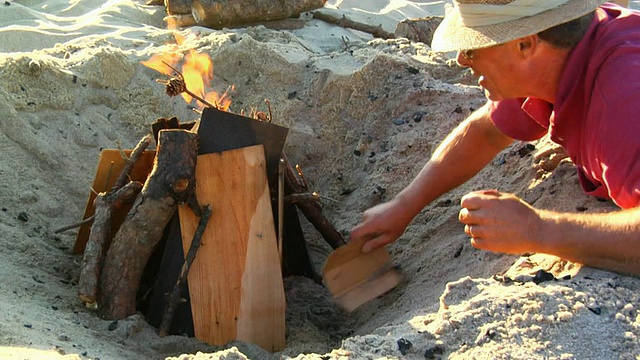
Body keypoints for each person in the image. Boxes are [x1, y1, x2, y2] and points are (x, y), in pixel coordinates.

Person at [350, 0, 640, 276]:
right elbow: (487, 132)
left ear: (525, 44)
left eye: (473, 47)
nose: (462, 59)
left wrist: (539, 230)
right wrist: (404, 205)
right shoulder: (556, 59)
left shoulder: (621, 102)